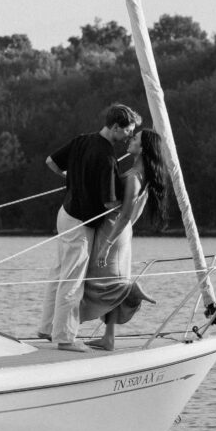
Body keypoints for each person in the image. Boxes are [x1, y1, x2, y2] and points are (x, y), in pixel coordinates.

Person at [37, 103, 141, 352]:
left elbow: (51, 161)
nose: (128, 135)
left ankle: (47, 328)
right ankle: (64, 338)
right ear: (116, 126)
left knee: (59, 272)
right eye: (128, 130)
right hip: (80, 223)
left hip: (65, 213)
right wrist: (129, 206)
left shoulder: (82, 139)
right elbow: (109, 202)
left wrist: (72, 179)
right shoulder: (106, 157)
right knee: (73, 280)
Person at [80, 128, 168, 351]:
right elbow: (130, 216)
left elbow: (126, 214)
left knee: (100, 284)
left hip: (112, 231)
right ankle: (108, 338)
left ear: (143, 148)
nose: (130, 140)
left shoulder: (134, 178)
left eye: (135, 138)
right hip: (119, 232)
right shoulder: (142, 174)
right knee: (106, 284)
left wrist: (107, 246)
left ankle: (130, 289)